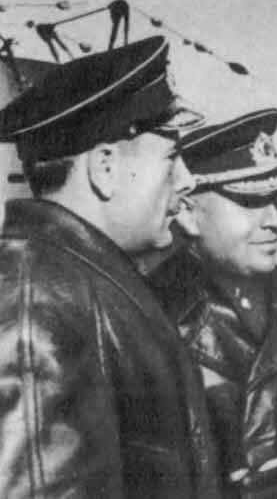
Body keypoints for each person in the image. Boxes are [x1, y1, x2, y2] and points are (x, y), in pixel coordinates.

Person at [0, 37, 222, 498]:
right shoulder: (37, 305)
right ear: (104, 167)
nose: (188, 181)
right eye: (172, 158)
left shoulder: (75, 283)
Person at [150, 108, 277, 498]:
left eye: (275, 199)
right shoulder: (151, 317)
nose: (275, 220)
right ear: (187, 214)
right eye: (251, 201)